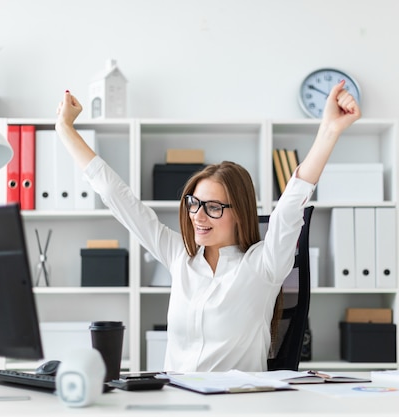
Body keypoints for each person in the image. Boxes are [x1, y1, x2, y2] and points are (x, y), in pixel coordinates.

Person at [55, 81, 361, 372]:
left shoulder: (263, 265)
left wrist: (329, 130)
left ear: (240, 213)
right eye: (194, 203)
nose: (198, 216)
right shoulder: (181, 258)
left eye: (213, 207)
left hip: (235, 405)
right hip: (176, 400)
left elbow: (292, 202)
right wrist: (65, 129)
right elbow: (118, 198)